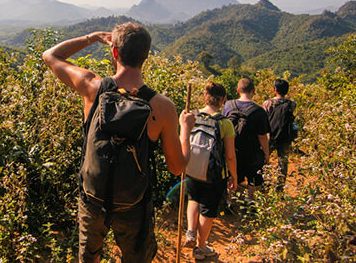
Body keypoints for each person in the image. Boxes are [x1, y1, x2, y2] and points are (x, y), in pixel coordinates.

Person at [42, 22, 195, 263]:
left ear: (114, 52)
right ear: (146, 56)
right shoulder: (163, 107)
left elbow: (50, 55)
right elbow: (177, 167)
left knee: (88, 257)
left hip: (92, 199)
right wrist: (185, 130)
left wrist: (92, 37)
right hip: (134, 204)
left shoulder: (93, 87)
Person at [184, 82, 237, 260]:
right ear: (223, 100)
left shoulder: (192, 116)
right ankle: (200, 248)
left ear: (205, 96)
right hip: (213, 174)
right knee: (208, 208)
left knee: (193, 199)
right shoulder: (225, 123)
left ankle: (190, 232)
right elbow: (230, 156)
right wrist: (233, 176)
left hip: (191, 168)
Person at [222, 78, 269, 199]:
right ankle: (250, 202)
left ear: (238, 90)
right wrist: (266, 154)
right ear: (253, 91)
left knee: (232, 175)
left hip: (232, 149)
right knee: (254, 178)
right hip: (252, 152)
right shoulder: (259, 111)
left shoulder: (228, 106)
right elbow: (262, 136)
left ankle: (230, 202)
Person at [263, 78, 297, 190]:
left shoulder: (268, 103)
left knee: (265, 159)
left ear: (275, 89)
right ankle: (280, 187)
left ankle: (265, 182)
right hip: (285, 136)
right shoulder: (292, 104)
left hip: (270, 135)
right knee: (283, 161)